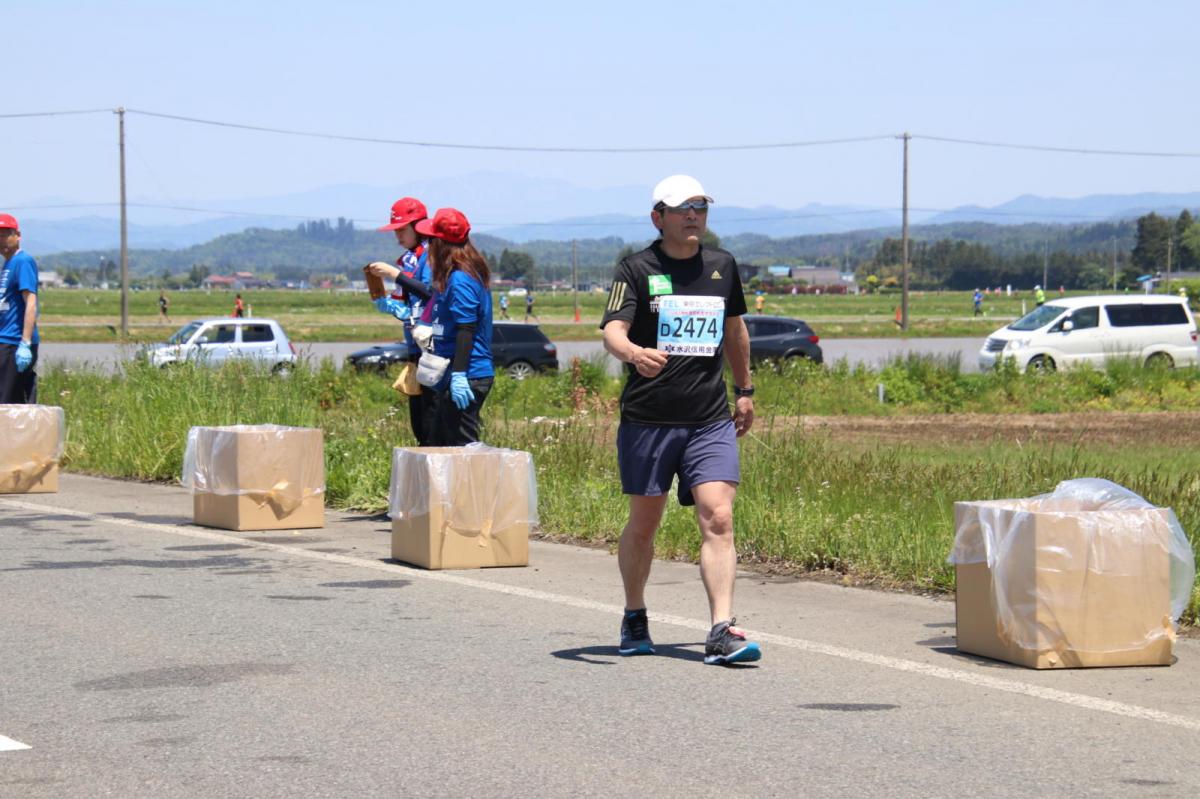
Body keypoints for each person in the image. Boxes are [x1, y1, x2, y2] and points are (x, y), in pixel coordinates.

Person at [600, 174, 761, 667]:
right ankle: (634, 614)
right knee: (644, 526)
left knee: (718, 516)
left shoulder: (722, 266)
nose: (693, 216)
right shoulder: (636, 268)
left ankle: (721, 629)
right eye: (682, 208)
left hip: (708, 418)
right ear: (659, 217)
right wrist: (632, 353)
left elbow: (734, 332)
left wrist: (746, 390)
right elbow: (612, 330)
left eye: (700, 207)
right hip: (649, 419)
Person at [418, 208, 493, 446]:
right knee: (438, 446)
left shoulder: (460, 280)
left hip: (468, 375)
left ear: (440, 244)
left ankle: (476, 485)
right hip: (454, 373)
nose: (428, 246)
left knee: (462, 450)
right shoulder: (453, 277)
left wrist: (460, 375)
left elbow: (466, 329)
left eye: (430, 240)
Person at [367, 197, 435, 445]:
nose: (398, 236)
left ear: (419, 226)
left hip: (433, 349)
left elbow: (431, 295)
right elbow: (413, 305)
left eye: (402, 229)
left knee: (430, 422)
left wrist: (396, 276)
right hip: (415, 349)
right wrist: (394, 307)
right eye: (396, 230)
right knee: (418, 422)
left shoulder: (432, 256)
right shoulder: (410, 259)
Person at [0, 214, 39, 404]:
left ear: (18, 235)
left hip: (15, 342)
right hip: (5, 339)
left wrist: (25, 342)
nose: (2, 239)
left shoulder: (22, 261)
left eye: (7, 234)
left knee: (10, 404)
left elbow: (30, 301)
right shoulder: (8, 264)